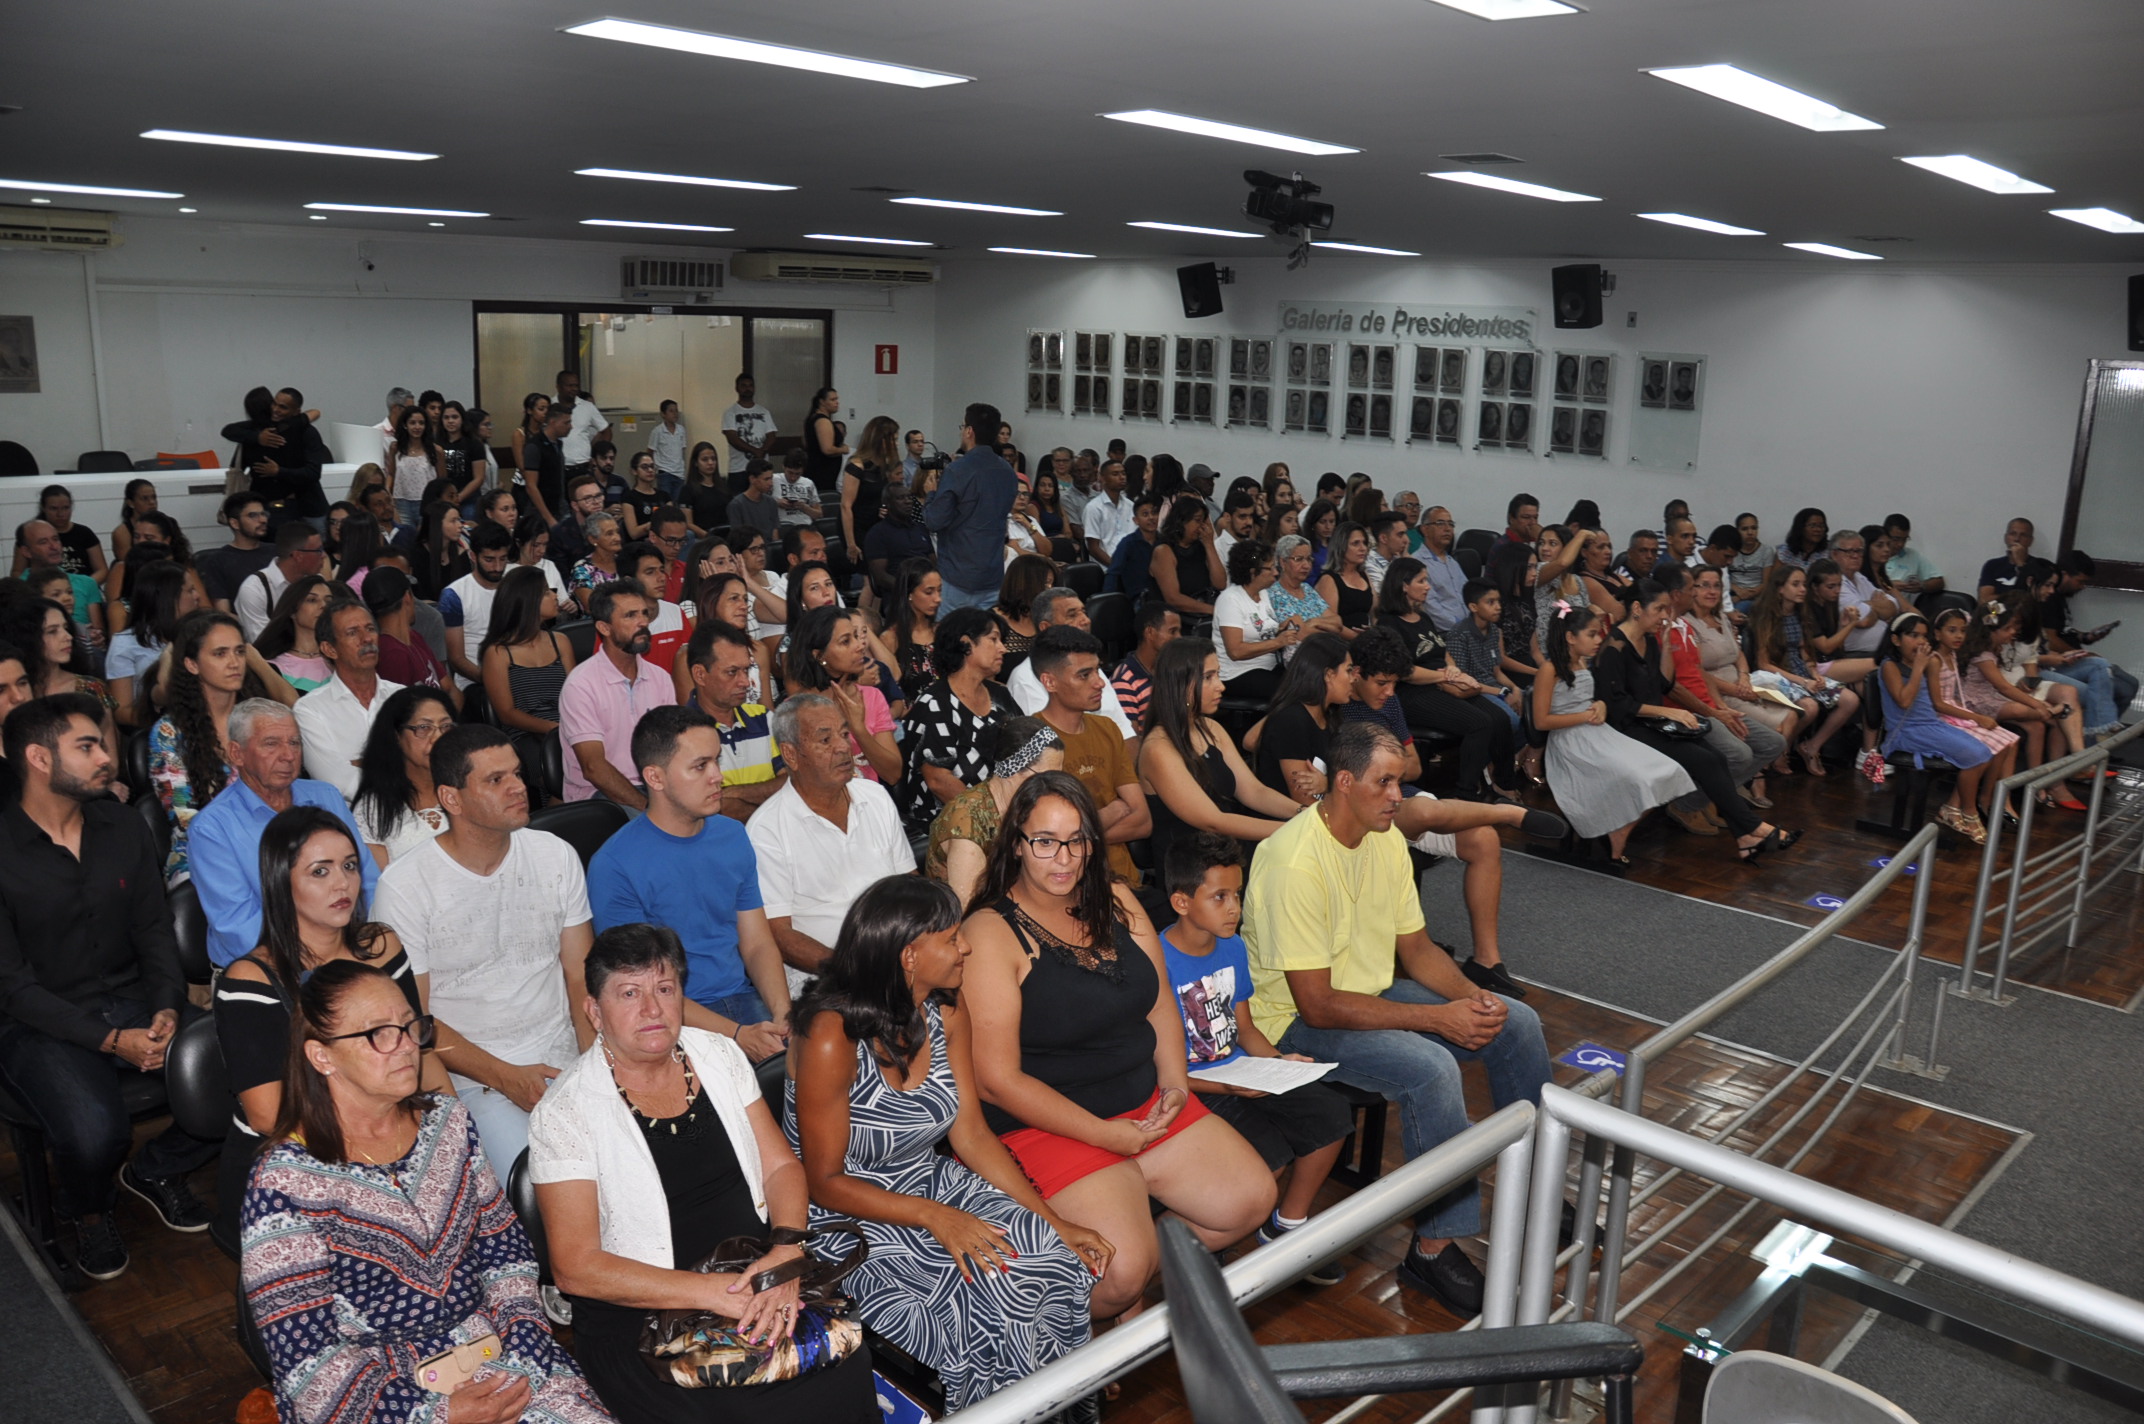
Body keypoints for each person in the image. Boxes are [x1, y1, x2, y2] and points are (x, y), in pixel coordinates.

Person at [1242, 722, 1548, 1314]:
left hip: (1369, 991)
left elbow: (1419, 949)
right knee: (1431, 1067)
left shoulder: (1381, 836)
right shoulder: (1292, 863)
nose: (1397, 797)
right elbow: (1318, 1004)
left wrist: (1471, 998)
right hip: (1293, 1023)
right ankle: (1433, 1250)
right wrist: (1436, 1021)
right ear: (1345, 782)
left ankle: (1533, 1176)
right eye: (1385, 783)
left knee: (1516, 1022)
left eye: (1400, 783)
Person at [528, 925, 879, 1424]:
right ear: (594, 1011)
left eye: (665, 989)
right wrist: (714, 1295)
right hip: (644, 1314)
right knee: (752, 1408)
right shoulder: (564, 1112)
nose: (652, 1009)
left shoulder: (716, 1055)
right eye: (629, 993)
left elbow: (780, 1165)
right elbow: (576, 1266)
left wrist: (785, 1254)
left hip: (750, 1270)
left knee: (843, 1366)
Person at [241, 959, 611, 1424]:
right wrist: (433, 1413)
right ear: (322, 1056)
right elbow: (305, 1362)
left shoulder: (448, 1123)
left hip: (491, 1349)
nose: (406, 1048)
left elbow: (504, 1251)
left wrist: (524, 1341)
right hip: (372, 1390)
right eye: (379, 1034)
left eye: (410, 1027)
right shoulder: (283, 1183)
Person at [962, 773, 1274, 1320]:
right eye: (1045, 841)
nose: (1063, 858)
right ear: (1017, 844)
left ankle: (1125, 1277)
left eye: (1077, 840)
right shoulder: (991, 932)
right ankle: (1088, 1313)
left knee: (1250, 1200)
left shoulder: (1116, 898)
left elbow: (1157, 1006)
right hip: (1050, 1121)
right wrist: (1106, 1135)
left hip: (1142, 1101)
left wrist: (1175, 1083)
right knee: (1122, 1272)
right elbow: (996, 1080)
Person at [787, 877, 1103, 1407]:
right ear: (909, 954)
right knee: (1000, 1290)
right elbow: (823, 1183)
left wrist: (1054, 1220)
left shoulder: (946, 1012)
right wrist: (937, 1217)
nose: (967, 947)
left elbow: (974, 1136)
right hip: (851, 1215)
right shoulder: (830, 1033)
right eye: (953, 938)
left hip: (929, 1179)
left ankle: (1058, 1409)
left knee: (1057, 1258)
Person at [0, 694, 215, 1278]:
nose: (106, 758)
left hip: (136, 997)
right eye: (87, 746)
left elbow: (153, 931)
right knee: (97, 1133)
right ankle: (88, 1213)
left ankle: (157, 1169)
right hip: (41, 1021)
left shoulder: (120, 822)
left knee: (240, 1067)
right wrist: (110, 1039)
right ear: (39, 758)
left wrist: (168, 1008)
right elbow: (13, 989)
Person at [210, 807, 448, 1249]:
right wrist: (383, 1159)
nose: (343, 884)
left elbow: (419, 1052)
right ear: (283, 882)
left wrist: (451, 1139)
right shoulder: (251, 980)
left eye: (350, 866)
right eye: (320, 871)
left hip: (383, 1134)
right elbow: (269, 1113)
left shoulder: (380, 947)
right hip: (290, 1161)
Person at [374, 724, 593, 1168]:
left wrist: (594, 1065)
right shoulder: (405, 887)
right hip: (471, 1077)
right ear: (452, 799)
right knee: (538, 1175)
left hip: (564, 1052)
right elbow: (415, 1019)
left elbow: (579, 974)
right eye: (496, 780)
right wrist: (507, 1078)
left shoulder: (555, 855)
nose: (518, 788)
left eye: (516, 773)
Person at [1159, 833, 1355, 1282]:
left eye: (1238, 895)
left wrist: (1279, 1063)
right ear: (1182, 902)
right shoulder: (1158, 960)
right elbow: (1162, 1071)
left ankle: (1287, 1226)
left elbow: (1244, 1028)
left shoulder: (1232, 946)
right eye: (1220, 896)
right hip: (1193, 1088)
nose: (1234, 908)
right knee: (1269, 1156)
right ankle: (1204, 1245)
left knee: (1330, 1114)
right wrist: (1228, 1085)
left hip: (1239, 1072)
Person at [587, 707, 791, 1061]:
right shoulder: (614, 865)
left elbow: (757, 943)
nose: (717, 777)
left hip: (742, 997)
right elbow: (642, 987)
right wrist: (738, 1035)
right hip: (667, 1015)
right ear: (656, 777)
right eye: (700, 766)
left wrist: (784, 1016)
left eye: (716, 762)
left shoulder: (732, 835)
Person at [1596, 579, 1799, 860]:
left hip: (1651, 722)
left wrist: (1666, 646)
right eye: (1660, 609)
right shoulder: (1614, 648)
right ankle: (1752, 829)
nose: (1666, 616)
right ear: (1637, 608)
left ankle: (1745, 837)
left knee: (1714, 757)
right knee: (1705, 759)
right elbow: (1617, 706)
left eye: (1668, 609)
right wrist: (1670, 712)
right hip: (1627, 727)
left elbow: (1664, 684)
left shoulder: (1647, 640)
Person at [748, 694, 917, 997]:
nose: (842, 747)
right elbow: (779, 933)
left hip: (897, 959)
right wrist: (852, 970)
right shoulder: (766, 829)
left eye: (843, 733)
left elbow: (909, 886)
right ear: (791, 754)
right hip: (825, 977)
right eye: (825, 740)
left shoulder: (875, 797)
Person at [191, 696, 379, 965]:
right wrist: (322, 957)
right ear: (237, 753)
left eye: (294, 743)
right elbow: (239, 927)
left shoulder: (326, 797)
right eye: (271, 744)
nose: (289, 756)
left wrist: (352, 947)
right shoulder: (212, 829)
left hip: (346, 950)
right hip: (265, 967)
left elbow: (367, 881)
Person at [1534, 604, 1698, 863]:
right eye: (1592, 634)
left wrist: (1599, 705)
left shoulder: (1582, 662)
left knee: (1667, 769)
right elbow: (1541, 721)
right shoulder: (1550, 670)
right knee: (1636, 776)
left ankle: (1620, 829)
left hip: (1596, 733)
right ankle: (1616, 830)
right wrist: (1584, 716)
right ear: (1570, 637)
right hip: (1570, 742)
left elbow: (1593, 699)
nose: (1599, 639)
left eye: (1599, 633)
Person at [1137, 638, 1304, 868]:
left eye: (1218, 674)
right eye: (1208, 677)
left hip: (1225, 853)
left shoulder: (1210, 728)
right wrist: (1299, 829)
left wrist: (1305, 813)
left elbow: (1254, 791)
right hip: (1190, 871)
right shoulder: (1158, 748)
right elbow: (1213, 821)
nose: (1221, 685)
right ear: (1180, 684)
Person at [1379, 558, 1520, 802]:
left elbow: (1442, 653)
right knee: (1480, 723)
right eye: (1421, 581)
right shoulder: (1389, 623)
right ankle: (1465, 794)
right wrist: (1443, 676)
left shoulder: (1423, 618)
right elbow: (1405, 672)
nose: (1428, 587)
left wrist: (1454, 671)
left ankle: (1503, 784)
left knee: (1500, 718)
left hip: (1441, 682)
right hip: (1414, 693)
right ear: (1403, 585)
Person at [1025, 628, 1149, 885]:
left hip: (1125, 880)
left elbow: (1142, 822)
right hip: (1070, 883)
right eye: (1084, 674)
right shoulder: (1031, 740)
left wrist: (1081, 832)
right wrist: (1116, 809)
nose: (1100, 682)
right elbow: (1049, 840)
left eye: (1098, 671)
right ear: (1050, 682)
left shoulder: (1107, 728)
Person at [1878, 613, 2000, 845]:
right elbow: (1904, 701)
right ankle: (1968, 812)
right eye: (1913, 636)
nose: (1921, 642)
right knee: (1977, 755)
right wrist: (1918, 669)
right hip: (1908, 732)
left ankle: (1954, 810)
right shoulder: (1890, 666)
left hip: (1929, 724)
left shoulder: (1917, 662)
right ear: (1895, 640)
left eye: (1923, 636)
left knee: (1985, 751)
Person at [1670, 564, 1792, 795]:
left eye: (1717, 586)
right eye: (1704, 585)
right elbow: (1697, 673)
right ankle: (1742, 783)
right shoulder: (1684, 624)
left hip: (1738, 686)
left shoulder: (1722, 619)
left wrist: (1744, 679)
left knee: (1790, 720)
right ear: (1690, 591)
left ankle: (1734, 784)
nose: (1712, 591)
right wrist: (1728, 698)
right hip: (1720, 692)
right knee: (1768, 734)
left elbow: (1739, 654)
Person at [896, 606, 1016, 834]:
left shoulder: (1000, 695)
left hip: (1006, 814)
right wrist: (997, 822)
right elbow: (939, 781)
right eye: (994, 639)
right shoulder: (934, 704)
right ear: (966, 644)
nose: (1003, 648)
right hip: (950, 824)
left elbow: (1026, 748)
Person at [559, 582, 678, 808]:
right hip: (599, 795)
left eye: (644, 613)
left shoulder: (660, 677)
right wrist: (650, 810)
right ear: (604, 628)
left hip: (654, 785)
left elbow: (671, 745)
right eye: (630, 616)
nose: (643, 622)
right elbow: (594, 768)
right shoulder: (581, 684)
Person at [925, 716, 1063, 904]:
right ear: (1014, 769)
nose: (1054, 786)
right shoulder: (967, 819)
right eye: (1047, 776)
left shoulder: (1028, 805)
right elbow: (969, 910)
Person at [1751, 562, 1865, 777]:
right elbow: (1764, 664)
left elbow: (1805, 654)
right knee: (1809, 707)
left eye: (1803, 584)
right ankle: (1782, 748)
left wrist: (1814, 675)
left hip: (1802, 674)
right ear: (1780, 589)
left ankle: (1811, 746)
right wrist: (1802, 681)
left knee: (1850, 700)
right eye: (1795, 584)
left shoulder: (1800, 614)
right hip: (1779, 677)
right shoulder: (1766, 617)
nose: (1802, 589)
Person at [293, 596, 403, 801]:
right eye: (352, 633)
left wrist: (363, 763)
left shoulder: (404, 698)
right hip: (351, 824)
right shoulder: (310, 709)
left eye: (370, 629)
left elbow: (430, 762)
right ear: (330, 649)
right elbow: (339, 782)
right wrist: (399, 765)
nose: (367, 639)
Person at [780, 605, 901, 784]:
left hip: (868, 803)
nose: (860, 646)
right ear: (819, 655)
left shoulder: (872, 697)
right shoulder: (796, 710)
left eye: (856, 636)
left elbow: (893, 775)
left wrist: (858, 729)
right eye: (846, 641)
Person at [681, 618, 786, 820]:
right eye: (732, 672)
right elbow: (717, 811)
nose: (746, 682)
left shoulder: (765, 718)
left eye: (746, 670)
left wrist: (734, 793)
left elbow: (791, 784)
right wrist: (767, 801)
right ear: (700, 675)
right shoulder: (682, 734)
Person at [922, 402, 1020, 615]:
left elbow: (934, 520)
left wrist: (930, 494)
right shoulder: (1008, 472)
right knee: (984, 641)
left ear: (969, 431)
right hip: (992, 573)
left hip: (958, 575)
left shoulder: (958, 470)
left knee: (951, 640)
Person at [1006, 588, 1137, 738]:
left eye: (1084, 612)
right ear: (1046, 628)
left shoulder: (1090, 665)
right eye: (1072, 615)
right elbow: (1046, 748)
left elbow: (1125, 730)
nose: (1086, 620)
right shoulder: (1025, 680)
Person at [351, 686, 455, 868]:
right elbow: (378, 885)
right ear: (396, 736)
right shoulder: (373, 809)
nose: (437, 737)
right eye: (424, 728)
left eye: (445, 727)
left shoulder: (470, 790)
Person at [1212, 538, 1297, 703]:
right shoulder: (1230, 600)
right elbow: (1235, 652)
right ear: (1252, 572)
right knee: (1292, 693)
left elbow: (1261, 632)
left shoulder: (1263, 594)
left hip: (1267, 666)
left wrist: (1280, 630)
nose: (1275, 572)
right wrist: (1278, 642)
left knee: (1309, 681)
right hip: (1237, 673)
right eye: (1270, 568)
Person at [1445, 579, 1527, 730]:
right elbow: (1463, 680)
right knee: (1512, 720)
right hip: (1476, 692)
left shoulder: (1494, 630)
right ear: (1473, 607)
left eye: (1498, 601)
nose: (1498, 607)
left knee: (1534, 706)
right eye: (1490, 602)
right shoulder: (1459, 634)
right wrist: (1503, 693)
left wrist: (1514, 688)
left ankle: (1524, 752)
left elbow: (1496, 671)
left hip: (1495, 687)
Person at [234, 520, 328, 642]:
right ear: (298, 556)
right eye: (318, 550)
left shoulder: (317, 582)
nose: (324, 555)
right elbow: (262, 642)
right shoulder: (255, 589)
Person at [196, 492, 276, 612]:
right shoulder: (218, 561)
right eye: (253, 515)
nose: (263, 520)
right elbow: (223, 612)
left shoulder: (277, 552)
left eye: (263, 514)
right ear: (235, 523)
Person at [1111, 600, 1179, 730]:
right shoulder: (1124, 681)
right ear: (1150, 632)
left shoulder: (1172, 668)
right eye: (1173, 631)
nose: (1178, 637)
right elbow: (1130, 737)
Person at [889, 557, 941, 701]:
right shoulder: (891, 638)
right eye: (929, 592)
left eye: (939, 590)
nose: (938, 599)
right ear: (909, 594)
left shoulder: (942, 631)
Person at [1102, 490, 1163, 602]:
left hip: (1164, 595)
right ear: (1136, 520)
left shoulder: (1164, 542)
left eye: (1154, 513)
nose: (1151, 517)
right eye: (1145, 514)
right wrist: (1107, 602)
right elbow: (1113, 574)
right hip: (1140, 599)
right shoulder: (1128, 544)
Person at [721, 372, 777, 485]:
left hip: (762, 469)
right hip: (739, 469)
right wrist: (754, 451)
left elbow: (771, 436)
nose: (748, 388)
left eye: (750, 385)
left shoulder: (764, 412)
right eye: (744, 385)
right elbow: (732, 438)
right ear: (737, 388)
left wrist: (762, 451)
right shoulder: (730, 413)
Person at [1883, 513, 1946, 598]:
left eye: (1905, 539)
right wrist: (1888, 586)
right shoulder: (1872, 555)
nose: (1900, 544)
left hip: (1903, 609)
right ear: (1885, 535)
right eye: (1896, 539)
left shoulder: (1912, 556)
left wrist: (1922, 586)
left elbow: (1939, 582)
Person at [1777, 507, 1830, 573]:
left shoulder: (1830, 551)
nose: (1818, 530)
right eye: (1813, 525)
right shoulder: (1785, 551)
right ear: (1801, 527)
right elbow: (1776, 580)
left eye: (1821, 526)